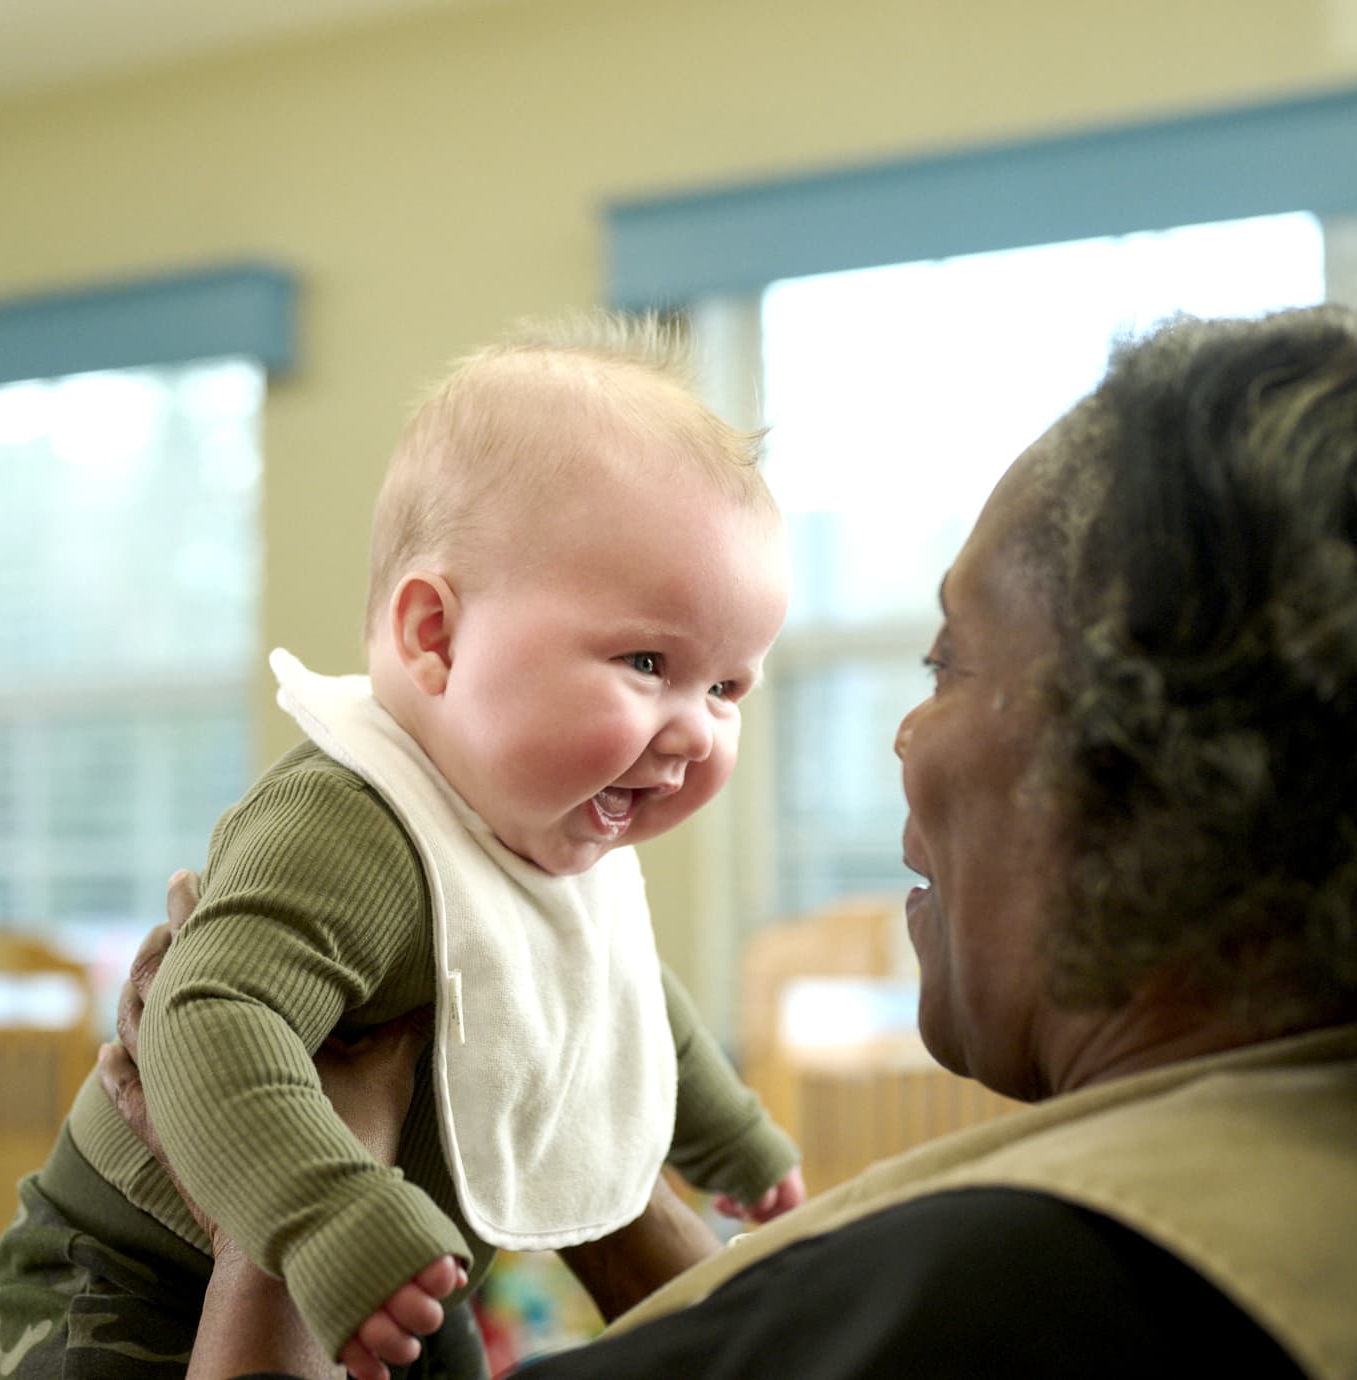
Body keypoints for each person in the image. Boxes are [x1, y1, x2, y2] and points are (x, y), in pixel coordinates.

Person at [108, 306, 1357, 1379]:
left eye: (950, 662)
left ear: (1144, 765)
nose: (906, 738)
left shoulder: (1028, 1298)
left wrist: (267, 1243)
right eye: (648, 663)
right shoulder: (1286, 1195)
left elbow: (632, 1016)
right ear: (433, 635)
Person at [0, 315, 805, 1380]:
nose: (695, 728)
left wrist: (727, 1138)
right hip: (140, 1278)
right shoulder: (352, 821)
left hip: (394, 1246)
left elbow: (618, 992)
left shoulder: (555, 829)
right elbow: (205, 1019)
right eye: (647, 661)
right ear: (436, 637)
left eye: (727, 686)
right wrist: (326, 1212)